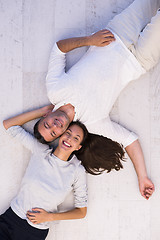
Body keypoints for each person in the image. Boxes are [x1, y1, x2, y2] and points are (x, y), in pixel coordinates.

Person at [33, 0, 160, 200]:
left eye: (47, 124)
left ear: (46, 115)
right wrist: (142, 177)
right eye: (54, 133)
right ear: (60, 134)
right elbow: (130, 140)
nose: (54, 126)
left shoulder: (55, 90)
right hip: (139, 61)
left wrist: (89, 40)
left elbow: (58, 49)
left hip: (116, 34)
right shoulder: (92, 123)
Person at [1, 105, 88, 240]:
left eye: (76, 139)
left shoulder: (77, 170)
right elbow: (9, 125)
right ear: (61, 134)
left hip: (35, 233)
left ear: (78, 147)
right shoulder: (40, 151)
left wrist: (50, 217)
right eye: (68, 133)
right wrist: (43, 112)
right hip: (10, 220)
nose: (69, 139)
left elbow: (81, 212)